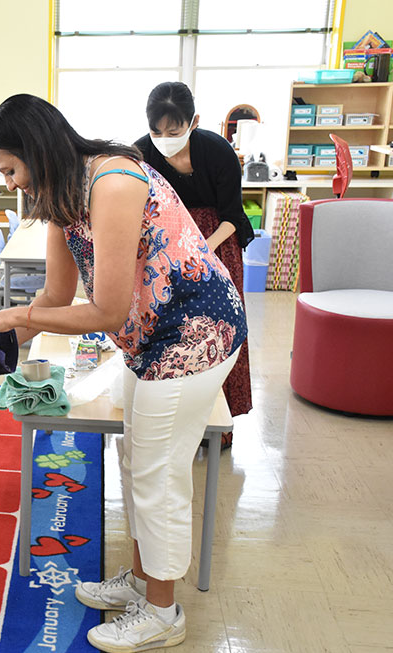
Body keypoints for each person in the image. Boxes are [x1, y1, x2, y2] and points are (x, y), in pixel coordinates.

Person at [0, 94, 247, 653]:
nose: (9, 184)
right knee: (135, 459)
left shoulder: (112, 182)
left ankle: (163, 613)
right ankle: (142, 582)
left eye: (10, 170)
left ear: (37, 151)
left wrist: (12, 317)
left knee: (158, 475)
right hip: (149, 338)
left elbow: (105, 311)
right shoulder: (59, 196)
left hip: (194, 334)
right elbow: (56, 297)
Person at [134, 82, 253, 424]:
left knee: (220, 328)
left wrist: (200, 250)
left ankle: (218, 424)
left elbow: (232, 217)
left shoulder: (218, 152)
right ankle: (170, 417)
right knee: (171, 328)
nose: (164, 139)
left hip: (216, 242)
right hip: (165, 243)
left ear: (194, 122)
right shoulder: (141, 153)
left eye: (173, 131)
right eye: (156, 131)